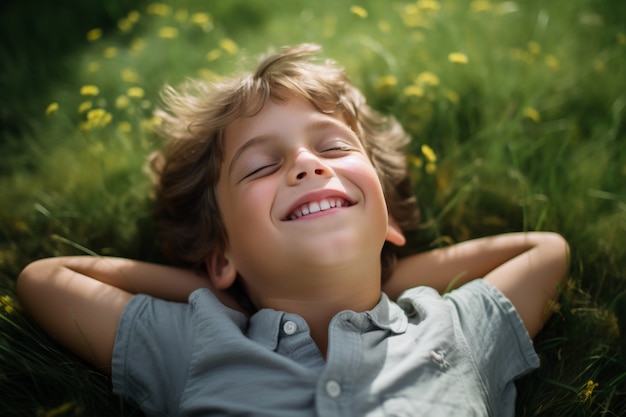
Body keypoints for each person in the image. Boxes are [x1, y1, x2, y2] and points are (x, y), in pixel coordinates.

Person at [17, 44, 569, 416]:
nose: (307, 164)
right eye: (260, 166)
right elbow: (46, 278)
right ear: (221, 251)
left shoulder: (455, 330)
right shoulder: (198, 344)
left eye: (333, 147)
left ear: (389, 219)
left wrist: (383, 266)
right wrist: (227, 295)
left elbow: (544, 250)